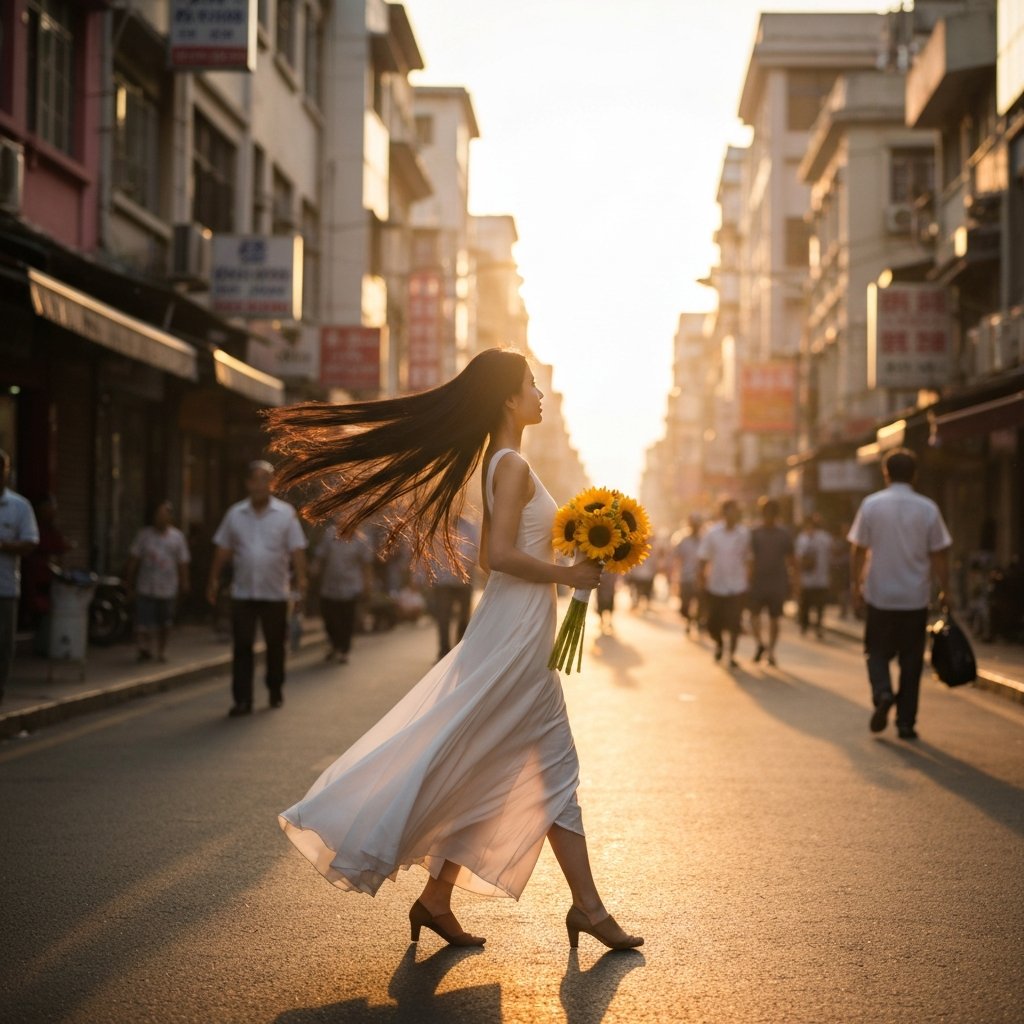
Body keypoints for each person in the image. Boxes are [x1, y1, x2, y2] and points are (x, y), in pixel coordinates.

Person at [264, 348, 642, 951]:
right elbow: (501, 558)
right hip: (517, 635)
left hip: (518, 627)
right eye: (532, 385)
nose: (540, 394)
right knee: (553, 767)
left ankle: (437, 900)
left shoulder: (504, 461)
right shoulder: (511, 463)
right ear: (508, 399)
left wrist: (571, 560)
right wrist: (569, 576)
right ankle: (588, 909)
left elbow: (493, 558)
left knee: (488, 760)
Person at [848, 448, 952, 739]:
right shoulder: (928, 508)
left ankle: (882, 692)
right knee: (911, 660)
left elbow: (857, 549)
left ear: (885, 473)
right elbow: (940, 554)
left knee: (876, 652)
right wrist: (947, 591)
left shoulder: (871, 505)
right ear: (914, 475)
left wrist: (855, 587)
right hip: (914, 598)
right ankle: (906, 722)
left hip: (879, 595)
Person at [206, 461, 308, 716]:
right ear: (248, 483)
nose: (261, 484)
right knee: (242, 646)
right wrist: (213, 579)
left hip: (275, 593)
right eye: (257, 479)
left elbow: (297, 550)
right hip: (243, 592)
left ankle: (275, 689)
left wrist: (302, 581)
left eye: (267, 479)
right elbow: (223, 549)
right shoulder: (235, 514)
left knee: (275, 645)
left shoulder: (286, 514)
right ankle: (242, 700)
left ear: (273, 484)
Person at [126, 500, 191, 663]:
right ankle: (144, 649)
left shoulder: (177, 537)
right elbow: (134, 559)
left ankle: (162, 651)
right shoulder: (144, 535)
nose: (161, 518)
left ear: (170, 518)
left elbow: (182, 562)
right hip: (145, 585)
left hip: (168, 587)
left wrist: (185, 582)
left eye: (165, 515)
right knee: (143, 622)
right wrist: (128, 581)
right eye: (158, 515)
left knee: (165, 622)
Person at [0, 449, 38, 703]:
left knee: (3, 647)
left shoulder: (19, 506)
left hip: (5, 588)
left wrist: (4, 546)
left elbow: (30, 542)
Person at [697, 498, 750, 667]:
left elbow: (749, 559)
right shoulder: (712, 533)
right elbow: (703, 559)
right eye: (729, 511)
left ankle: (732, 655)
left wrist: (749, 580)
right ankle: (719, 644)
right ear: (724, 513)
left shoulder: (744, 534)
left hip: (737, 586)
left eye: (735, 511)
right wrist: (701, 580)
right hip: (716, 586)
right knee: (713, 624)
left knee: (735, 623)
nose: (733, 515)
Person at [313, 523, 375, 664]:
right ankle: (334, 645)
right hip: (329, 586)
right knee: (330, 619)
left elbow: (367, 565)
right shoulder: (330, 534)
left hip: (351, 587)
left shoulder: (361, 540)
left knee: (346, 620)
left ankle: (344, 650)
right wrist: (315, 567)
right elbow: (320, 555)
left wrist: (367, 585)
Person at [748, 497, 795, 667]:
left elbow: (792, 560)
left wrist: (795, 583)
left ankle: (771, 651)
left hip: (777, 582)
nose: (769, 515)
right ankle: (760, 644)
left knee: (775, 619)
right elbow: (749, 559)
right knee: (754, 616)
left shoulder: (784, 534)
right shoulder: (754, 533)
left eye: (772, 512)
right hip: (757, 582)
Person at [22, 496, 72, 656]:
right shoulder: (33, 527)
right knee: (38, 611)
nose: (52, 512)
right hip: (34, 576)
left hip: (48, 576)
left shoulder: (51, 528)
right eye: (49, 508)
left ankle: (45, 645)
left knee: (48, 612)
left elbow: (60, 547)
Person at [430, 515, 479, 660]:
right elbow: (430, 552)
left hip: (464, 579)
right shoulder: (437, 525)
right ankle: (443, 651)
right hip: (443, 580)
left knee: (464, 618)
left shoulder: (470, 526)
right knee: (443, 617)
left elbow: (475, 549)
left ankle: (459, 652)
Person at [795, 514, 833, 638]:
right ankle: (804, 625)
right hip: (806, 579)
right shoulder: (802, 538)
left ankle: (818, 626)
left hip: (821, 578)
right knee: (805, 604)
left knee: (820, 605)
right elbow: (798, 559)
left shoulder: (825, 538)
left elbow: (830, 555)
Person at [673, 513, 703, 636]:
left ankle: (696, 621)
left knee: (700, 603)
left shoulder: (705, 540)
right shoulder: (683, 540)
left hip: (700, 579)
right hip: (685, 577)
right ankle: (689, 620)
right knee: (684, 606)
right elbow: (677, 559)